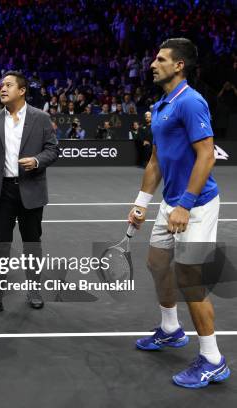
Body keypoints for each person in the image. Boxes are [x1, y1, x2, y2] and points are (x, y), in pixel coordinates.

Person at [129, 38, 230, 388]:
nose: (152, 64)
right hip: (170, 202)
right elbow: (155, 162)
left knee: (191, 280)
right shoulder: (160, 107)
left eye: (160, 59)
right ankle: (171, 330)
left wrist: (186, 204)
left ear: (179, 65)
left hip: (197, 204)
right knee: (157, 263)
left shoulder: (191, 102)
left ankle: (213, 360)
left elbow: (207, 155)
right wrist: (142, 203)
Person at [0, 71, 59, 318]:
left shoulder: (40, 118)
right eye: (1, 85)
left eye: (8, 85)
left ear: (22, 91)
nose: (2, 88)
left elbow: (53, 149)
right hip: (3, 192)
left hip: (31, 189)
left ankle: (34, 290)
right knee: (0, 245)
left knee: (32, 242)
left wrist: (37, 160)